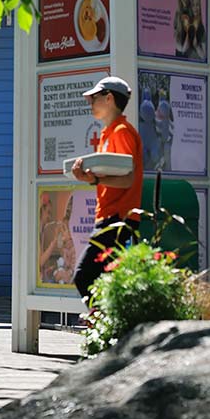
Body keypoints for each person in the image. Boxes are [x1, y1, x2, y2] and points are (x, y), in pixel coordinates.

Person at [70, 76, 144, 301]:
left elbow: (127, 179)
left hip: (117, 219)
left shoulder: (121, 131)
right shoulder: (110, 132)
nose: (90, 103)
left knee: (84, 276)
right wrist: (93, 179)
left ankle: (102, 322)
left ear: (109, 98)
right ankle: (108, 322)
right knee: (107, 282)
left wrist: (94, 180)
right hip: (112, 218)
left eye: (93, 98)